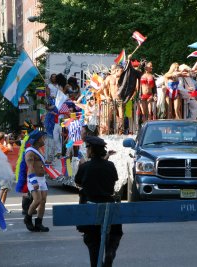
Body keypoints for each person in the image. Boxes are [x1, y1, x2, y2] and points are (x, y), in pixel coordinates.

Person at [75, 136, 122, 267]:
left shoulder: (85, 167)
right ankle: (110, 251)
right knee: (115, 233)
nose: (86, 150)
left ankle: (96, 263)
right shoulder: (110, 165)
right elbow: (114, 179)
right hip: (109, 208)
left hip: (90, 211)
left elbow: (78, 182)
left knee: (92, 240)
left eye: (87, 147)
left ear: (92, 150)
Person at [23, 129, 50, 232]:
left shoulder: (39, 150)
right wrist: (34, 182)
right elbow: (30, 167)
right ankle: (28, 219)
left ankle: (39, 223)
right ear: (38, 139)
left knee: (43, 201)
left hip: (42, 178)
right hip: (34, 179)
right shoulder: (30, 152)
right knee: (37, 200)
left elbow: (40, 163)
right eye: (42, 138)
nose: (44, 139)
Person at [104, 64, 125, 134]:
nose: (122, 73)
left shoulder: (122, 78)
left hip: (119, 99)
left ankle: (120, 131)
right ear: (117, 70)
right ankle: (107, 130)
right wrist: (106, 96)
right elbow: (104, 87)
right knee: (109, 115)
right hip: (111, 99)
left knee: (121, 115)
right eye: (121, 71)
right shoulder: (109, 78)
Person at [0, 132, 13, 205]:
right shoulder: (0, 147)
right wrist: (7, 141)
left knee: (1, 189)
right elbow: (10, 149)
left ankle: (0, 206)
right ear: (2, 139)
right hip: (1, 170)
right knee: (3, 188)